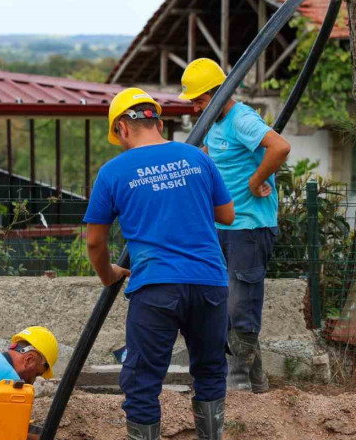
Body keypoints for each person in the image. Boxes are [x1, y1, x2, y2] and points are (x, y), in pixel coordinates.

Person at [84, 88, 235, 440]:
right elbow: (226, 214)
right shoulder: (197, 158)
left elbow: (95, 241)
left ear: (122, 127)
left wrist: (110, 275)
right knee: (211, 370)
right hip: (209, 282)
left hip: (155, 287)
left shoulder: (113, 172)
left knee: (142, 380)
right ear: (158, 120)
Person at [179, 58, 291, 394]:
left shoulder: (241, 118)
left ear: (217, 93)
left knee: (241, 301)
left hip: (250, 227)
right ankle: (255, 382)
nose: (195, 107)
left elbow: (280, 147)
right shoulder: (215, 123)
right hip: (225, 225)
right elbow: (216, 157)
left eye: (199, 100)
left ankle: (239, 378)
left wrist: (257, 180)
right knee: (223, 301)